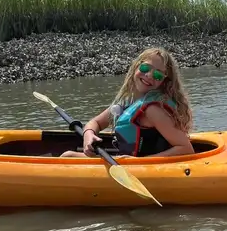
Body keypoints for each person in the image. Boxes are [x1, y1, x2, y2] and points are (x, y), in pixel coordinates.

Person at [60, 47, 195, 158]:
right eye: (145, 68)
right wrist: (88, 135)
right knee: (68, 156)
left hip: (142, 167)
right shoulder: (127, 101)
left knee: (67, 157)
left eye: (158, 75)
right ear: (136, 67)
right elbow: (96, 122)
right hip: (124, 162)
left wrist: (140, 162)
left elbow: (185, 148)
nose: (148, 76)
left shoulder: (153, 110)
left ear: (164, 82)